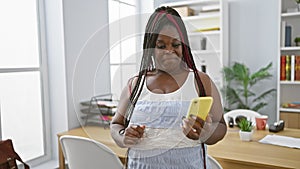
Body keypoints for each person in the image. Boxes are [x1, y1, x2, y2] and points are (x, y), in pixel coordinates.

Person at [110, 6, 227, 169]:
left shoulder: (201, 81)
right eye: (161, 46)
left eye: (175, 44)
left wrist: (207, 133)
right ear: (150, 47)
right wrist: (123, 137)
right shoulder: (135, 84)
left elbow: (221, 126)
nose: (170, 51)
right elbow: (116, 125)